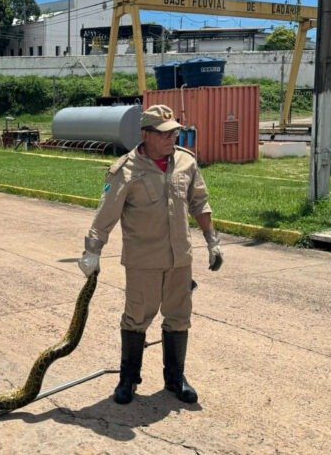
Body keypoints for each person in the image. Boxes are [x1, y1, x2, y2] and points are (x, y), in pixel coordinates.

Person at [78, 104, 223, 405]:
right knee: (136, 319)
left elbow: (200, 203)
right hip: (143, 262)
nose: (172, 139)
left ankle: (174, 379)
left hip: (179, 259)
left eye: (175, 133)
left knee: (179, 318)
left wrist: (212, 241)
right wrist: (92, 251)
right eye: (165, 134)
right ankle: (128, 379)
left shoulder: (185, 163)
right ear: (146, 135)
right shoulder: (125, 170)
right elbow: (106, 214)